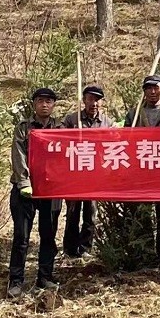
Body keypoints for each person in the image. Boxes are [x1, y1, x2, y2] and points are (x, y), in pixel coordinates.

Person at [7, 88, 63, 298]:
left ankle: (45, 277)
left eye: (49, 101)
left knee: (48, 235)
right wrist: (24, 182)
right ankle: (16, 281)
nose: (44, 105)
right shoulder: (23, 128)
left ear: (54, 104)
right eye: (40, 101)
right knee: (21, 237)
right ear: (34, 104)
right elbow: (18, 155)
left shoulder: (61, 128)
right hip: (26, 191)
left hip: (51, 189)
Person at [124, 74, 160, 271]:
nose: (152, 91)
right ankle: (145, 252)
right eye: (148, 88)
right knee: (141, 211)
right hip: (141, 169)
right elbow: (126, 139)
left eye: (156, 87)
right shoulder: (134, 114)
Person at [60, 84, 113, 258]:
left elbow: (114, 144)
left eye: (97, 100)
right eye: (90, 99)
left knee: (90, 212)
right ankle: (69, 249)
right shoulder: (72, 119)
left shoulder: (106, 123)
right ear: (84, 100)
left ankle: (85, 248)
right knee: (72, 212)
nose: (94, 103)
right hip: (74, 175)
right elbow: (59, 138)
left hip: (95, 175)